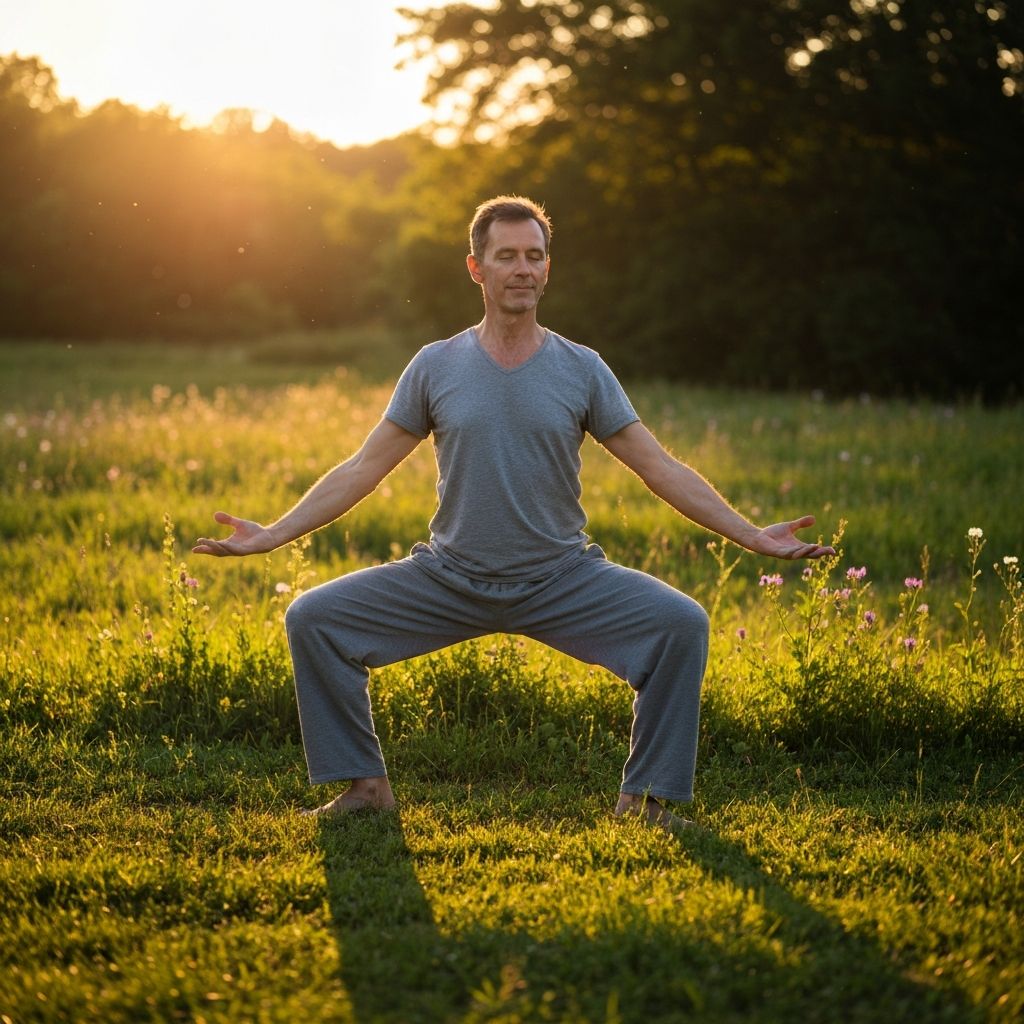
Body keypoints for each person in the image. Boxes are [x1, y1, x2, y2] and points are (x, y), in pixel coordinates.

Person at [193, 195, 834, 830]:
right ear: (477, 268)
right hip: (449, 578)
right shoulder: (435, 366)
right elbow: (363, 468)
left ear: (548, 268)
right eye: (507, 256)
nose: (523, 268)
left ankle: (644, 802)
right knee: (314, 619)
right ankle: (365, 789)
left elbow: (660, 468)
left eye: (535, 255)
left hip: (562, 578)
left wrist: (752, 535)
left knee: (681, 625)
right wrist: (273, 534)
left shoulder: (582, 369)